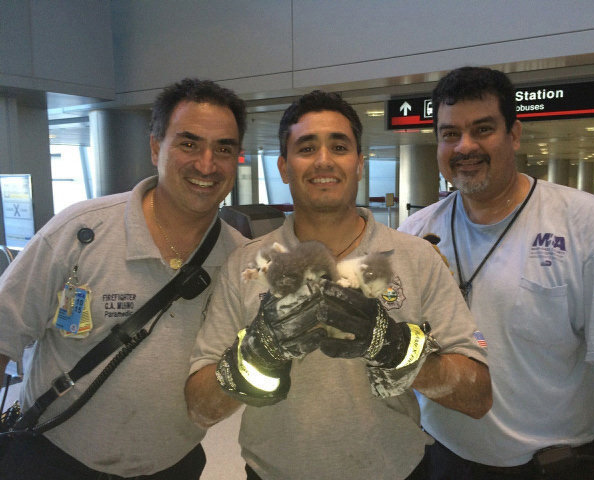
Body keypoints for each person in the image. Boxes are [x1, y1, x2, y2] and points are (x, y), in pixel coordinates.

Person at [185, 90, 492, 480]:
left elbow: (478, 395)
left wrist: (395, 348)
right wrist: (255, 355)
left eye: (339, 146)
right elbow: (200, 406)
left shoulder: (416, 258)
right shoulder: (246, 263)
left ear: (359, 163)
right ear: (283, 166)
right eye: (307, 147)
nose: (324, 160)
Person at [399, 66, 594, 480]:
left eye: (483, 129)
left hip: (553, 467)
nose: (464, 147)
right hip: (442, 460)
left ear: (514, 134)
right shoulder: (415, 234)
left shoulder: (583, 223)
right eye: (450, 133)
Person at [0, 78, 248, 479]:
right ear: (155, 148)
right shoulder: (81, 231)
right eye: (188, 143)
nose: (206, 164)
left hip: (171, 465)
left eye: (223, 148)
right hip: (57, 460)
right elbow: (3, 332)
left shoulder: (239, 259)